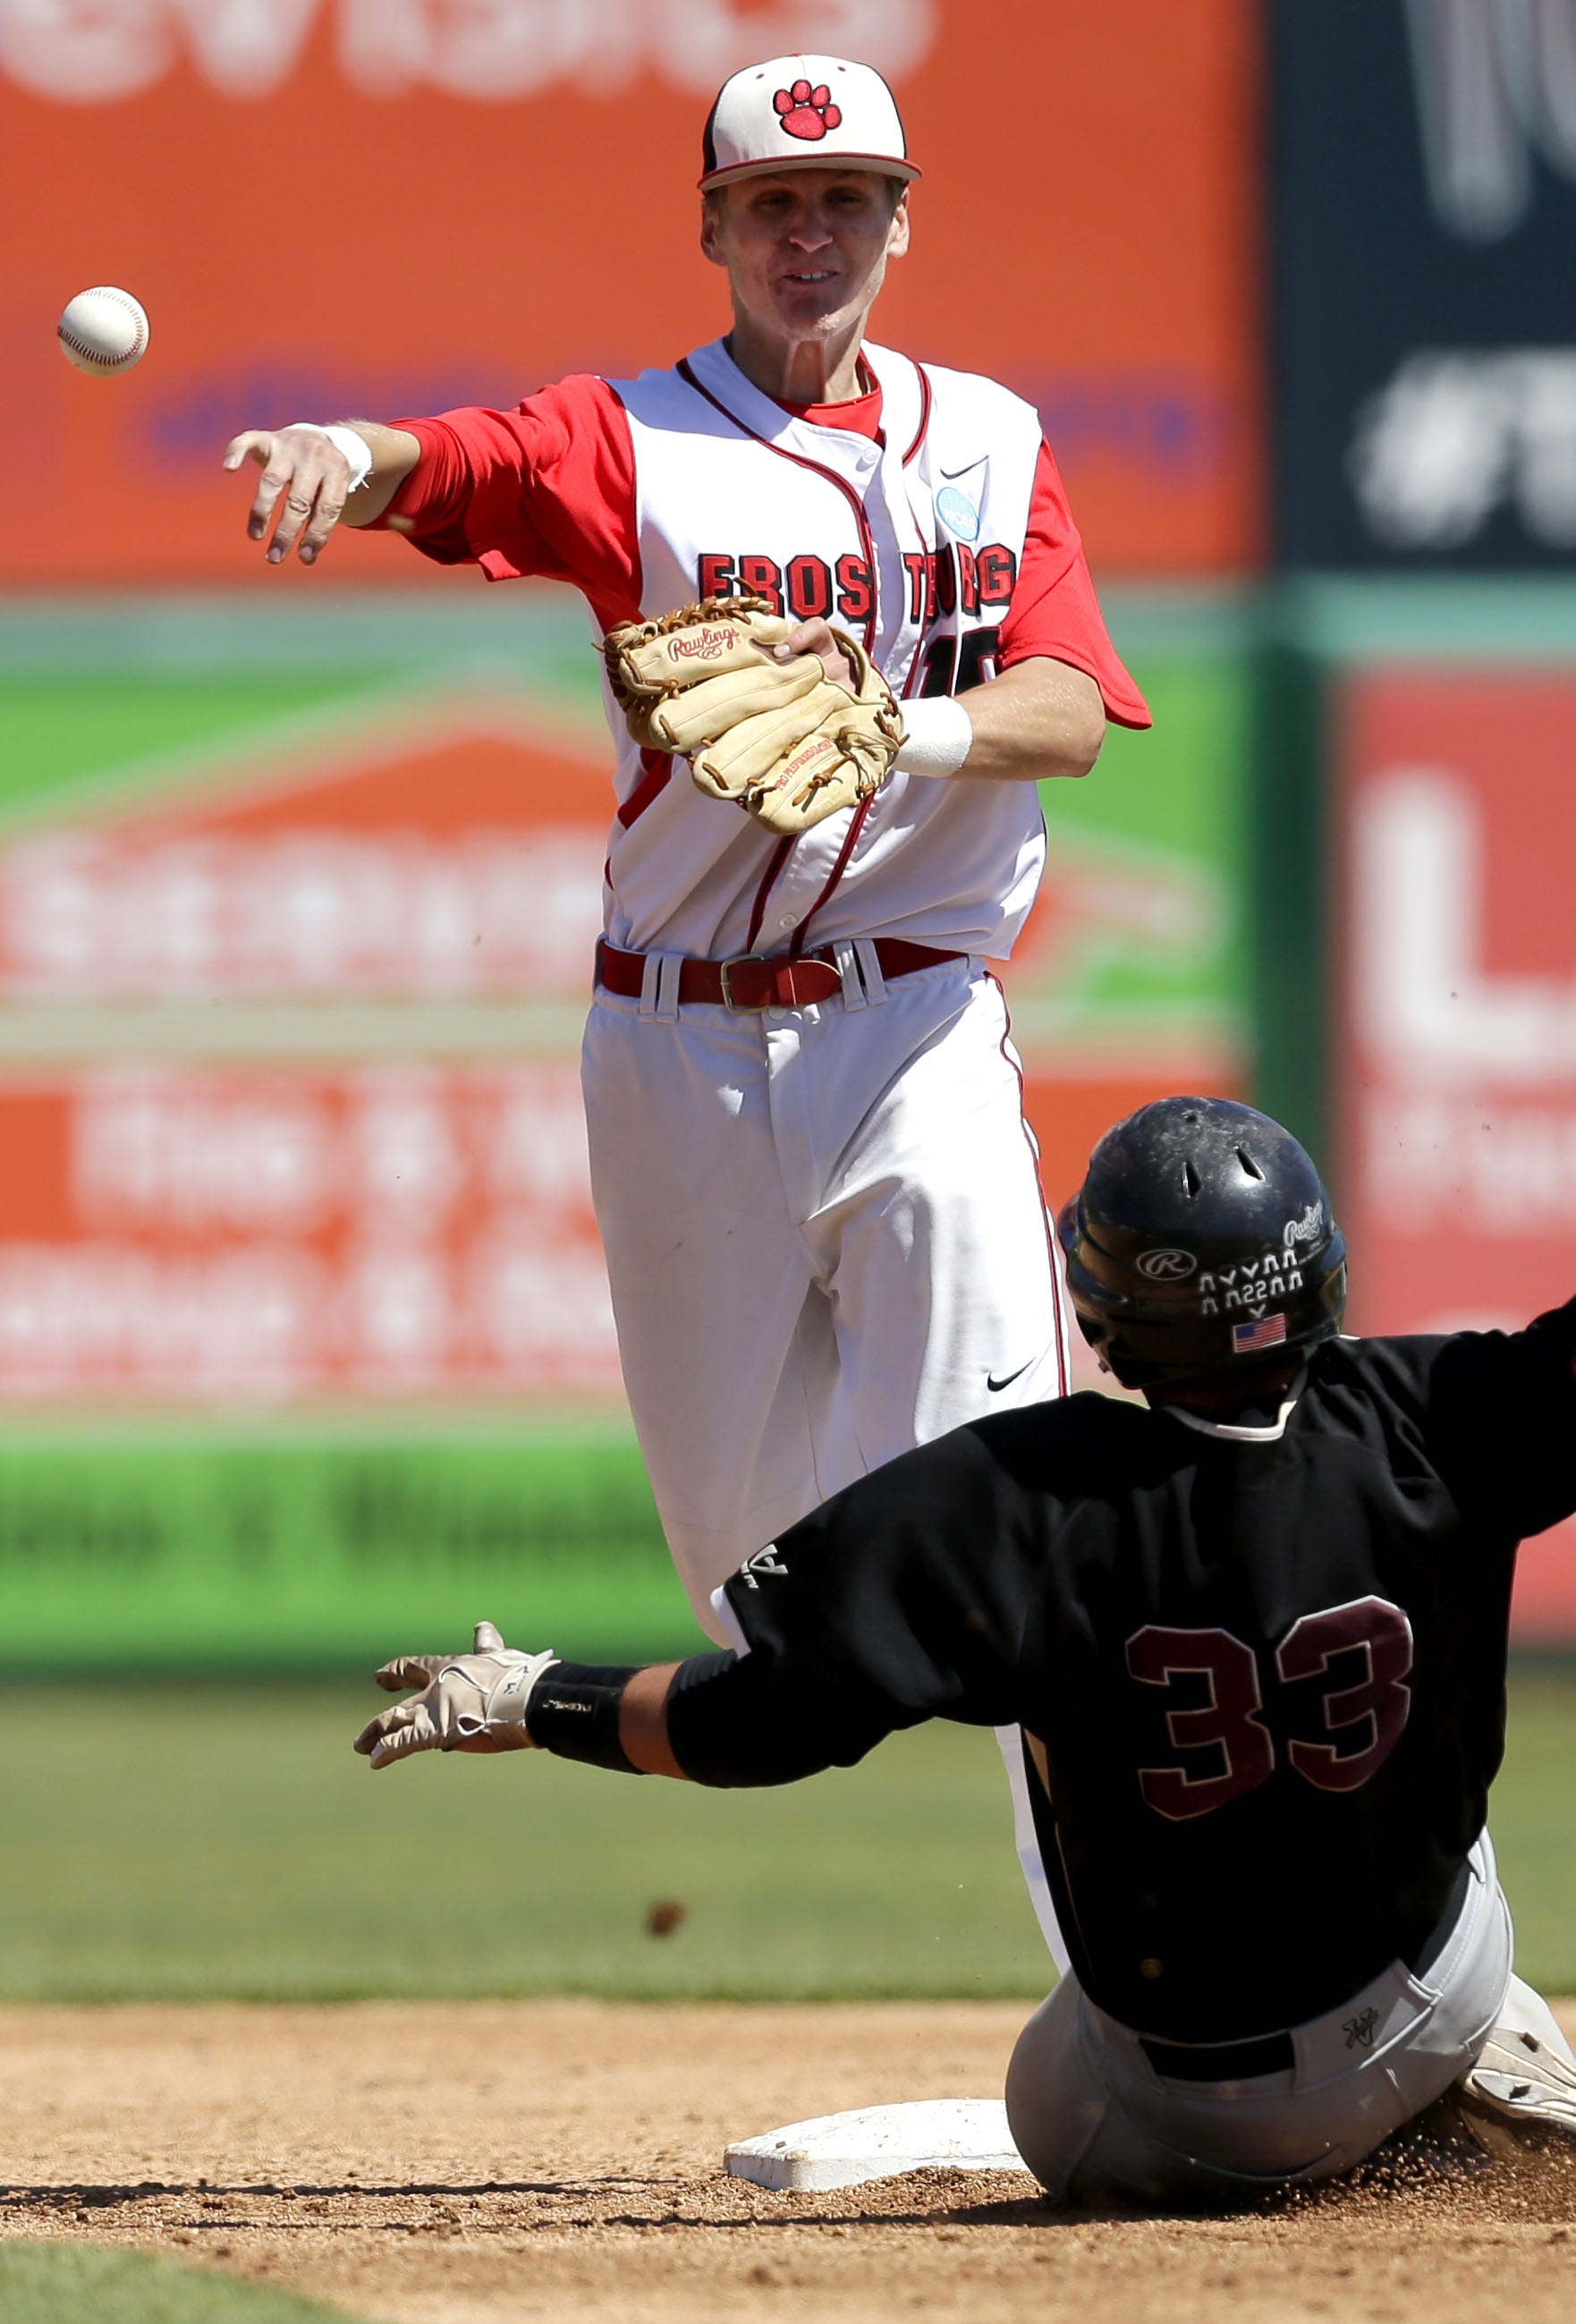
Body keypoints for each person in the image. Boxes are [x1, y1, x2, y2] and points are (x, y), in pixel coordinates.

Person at [356, 929, 1576, 2204]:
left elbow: (751, 1729)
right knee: (1421, 1757)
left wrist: (524, 1696)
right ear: (1320, 1272)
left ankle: (1372, 2124)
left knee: (1050, 2097)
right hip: (1430, 1999)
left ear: (1104, 1317)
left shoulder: (1008, 1497)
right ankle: (1483, 2068)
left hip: (1189, 2107)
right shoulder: (1436, 1415)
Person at [220, 55, 1151, 1643]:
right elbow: (452, 466)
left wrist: (892, 730)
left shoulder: (987, 438)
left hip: (914, 1023)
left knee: (1005, 1526)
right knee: (754, 1598)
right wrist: (338, 450)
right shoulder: (633, 440)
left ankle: (1118, 1863)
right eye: (772, 204)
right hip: (678, 1048)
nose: (811, 235)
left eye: (845, 200)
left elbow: (1064, 707)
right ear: (711, 228)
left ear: (899, 224)